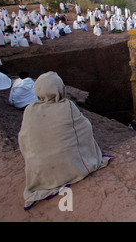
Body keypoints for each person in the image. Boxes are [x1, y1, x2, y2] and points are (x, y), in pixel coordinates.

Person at [18, 72, 110, 210]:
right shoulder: (66, 107)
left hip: (40, 171)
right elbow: (85, 128)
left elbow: (24, 139)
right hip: (70, 167)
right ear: (60, 88)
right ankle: (75, 165)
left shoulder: (29, 110)